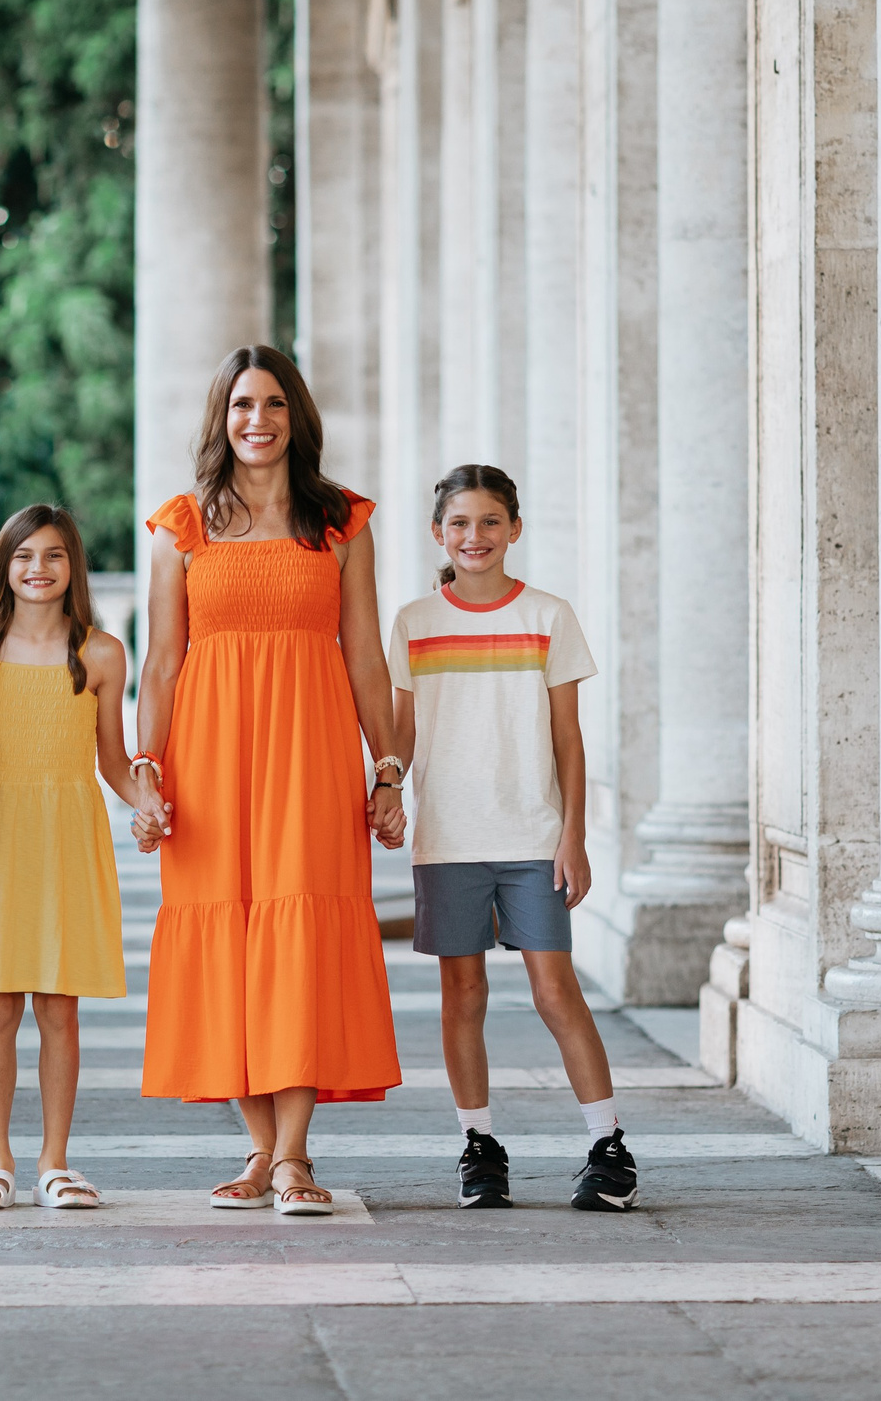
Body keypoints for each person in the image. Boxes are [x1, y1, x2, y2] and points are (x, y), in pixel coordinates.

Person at [131, 345, 408, 1217]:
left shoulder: (340, 522)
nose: (258, 420)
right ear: (221, 417)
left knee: (302, 933)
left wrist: (389, 765)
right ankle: (259, 1147)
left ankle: (291, 1157)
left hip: (313, 749)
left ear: (298, 416)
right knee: (225, 938)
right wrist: (146, 771)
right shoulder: (183, 525)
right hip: (208, 759)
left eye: (274, 403)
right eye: (242, 404)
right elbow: (163, 664)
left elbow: (364, 654)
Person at [383, 465, 637, 1212]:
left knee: (555, 988)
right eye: (460, 523)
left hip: (531, 833)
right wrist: (387, 785)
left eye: (490, 521)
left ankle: (608, 1142)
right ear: (439, 533)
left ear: (514, 529)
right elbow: (403, 727)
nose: (475, 536)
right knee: (462, 993)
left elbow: (570, 739)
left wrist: (574, 837)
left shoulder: (549, 616)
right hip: (448, 837)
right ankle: (479, 1145)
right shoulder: (414, 622)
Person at [0, 505, 158, 1213]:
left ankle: (55, 1161)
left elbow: (115, 763)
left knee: (59, 1007)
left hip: (67, 829)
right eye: (24, 554)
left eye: (54, 554)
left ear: (74, 566)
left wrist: (147, 802)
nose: (39, 567)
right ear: (3, 565)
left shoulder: (100, 652)